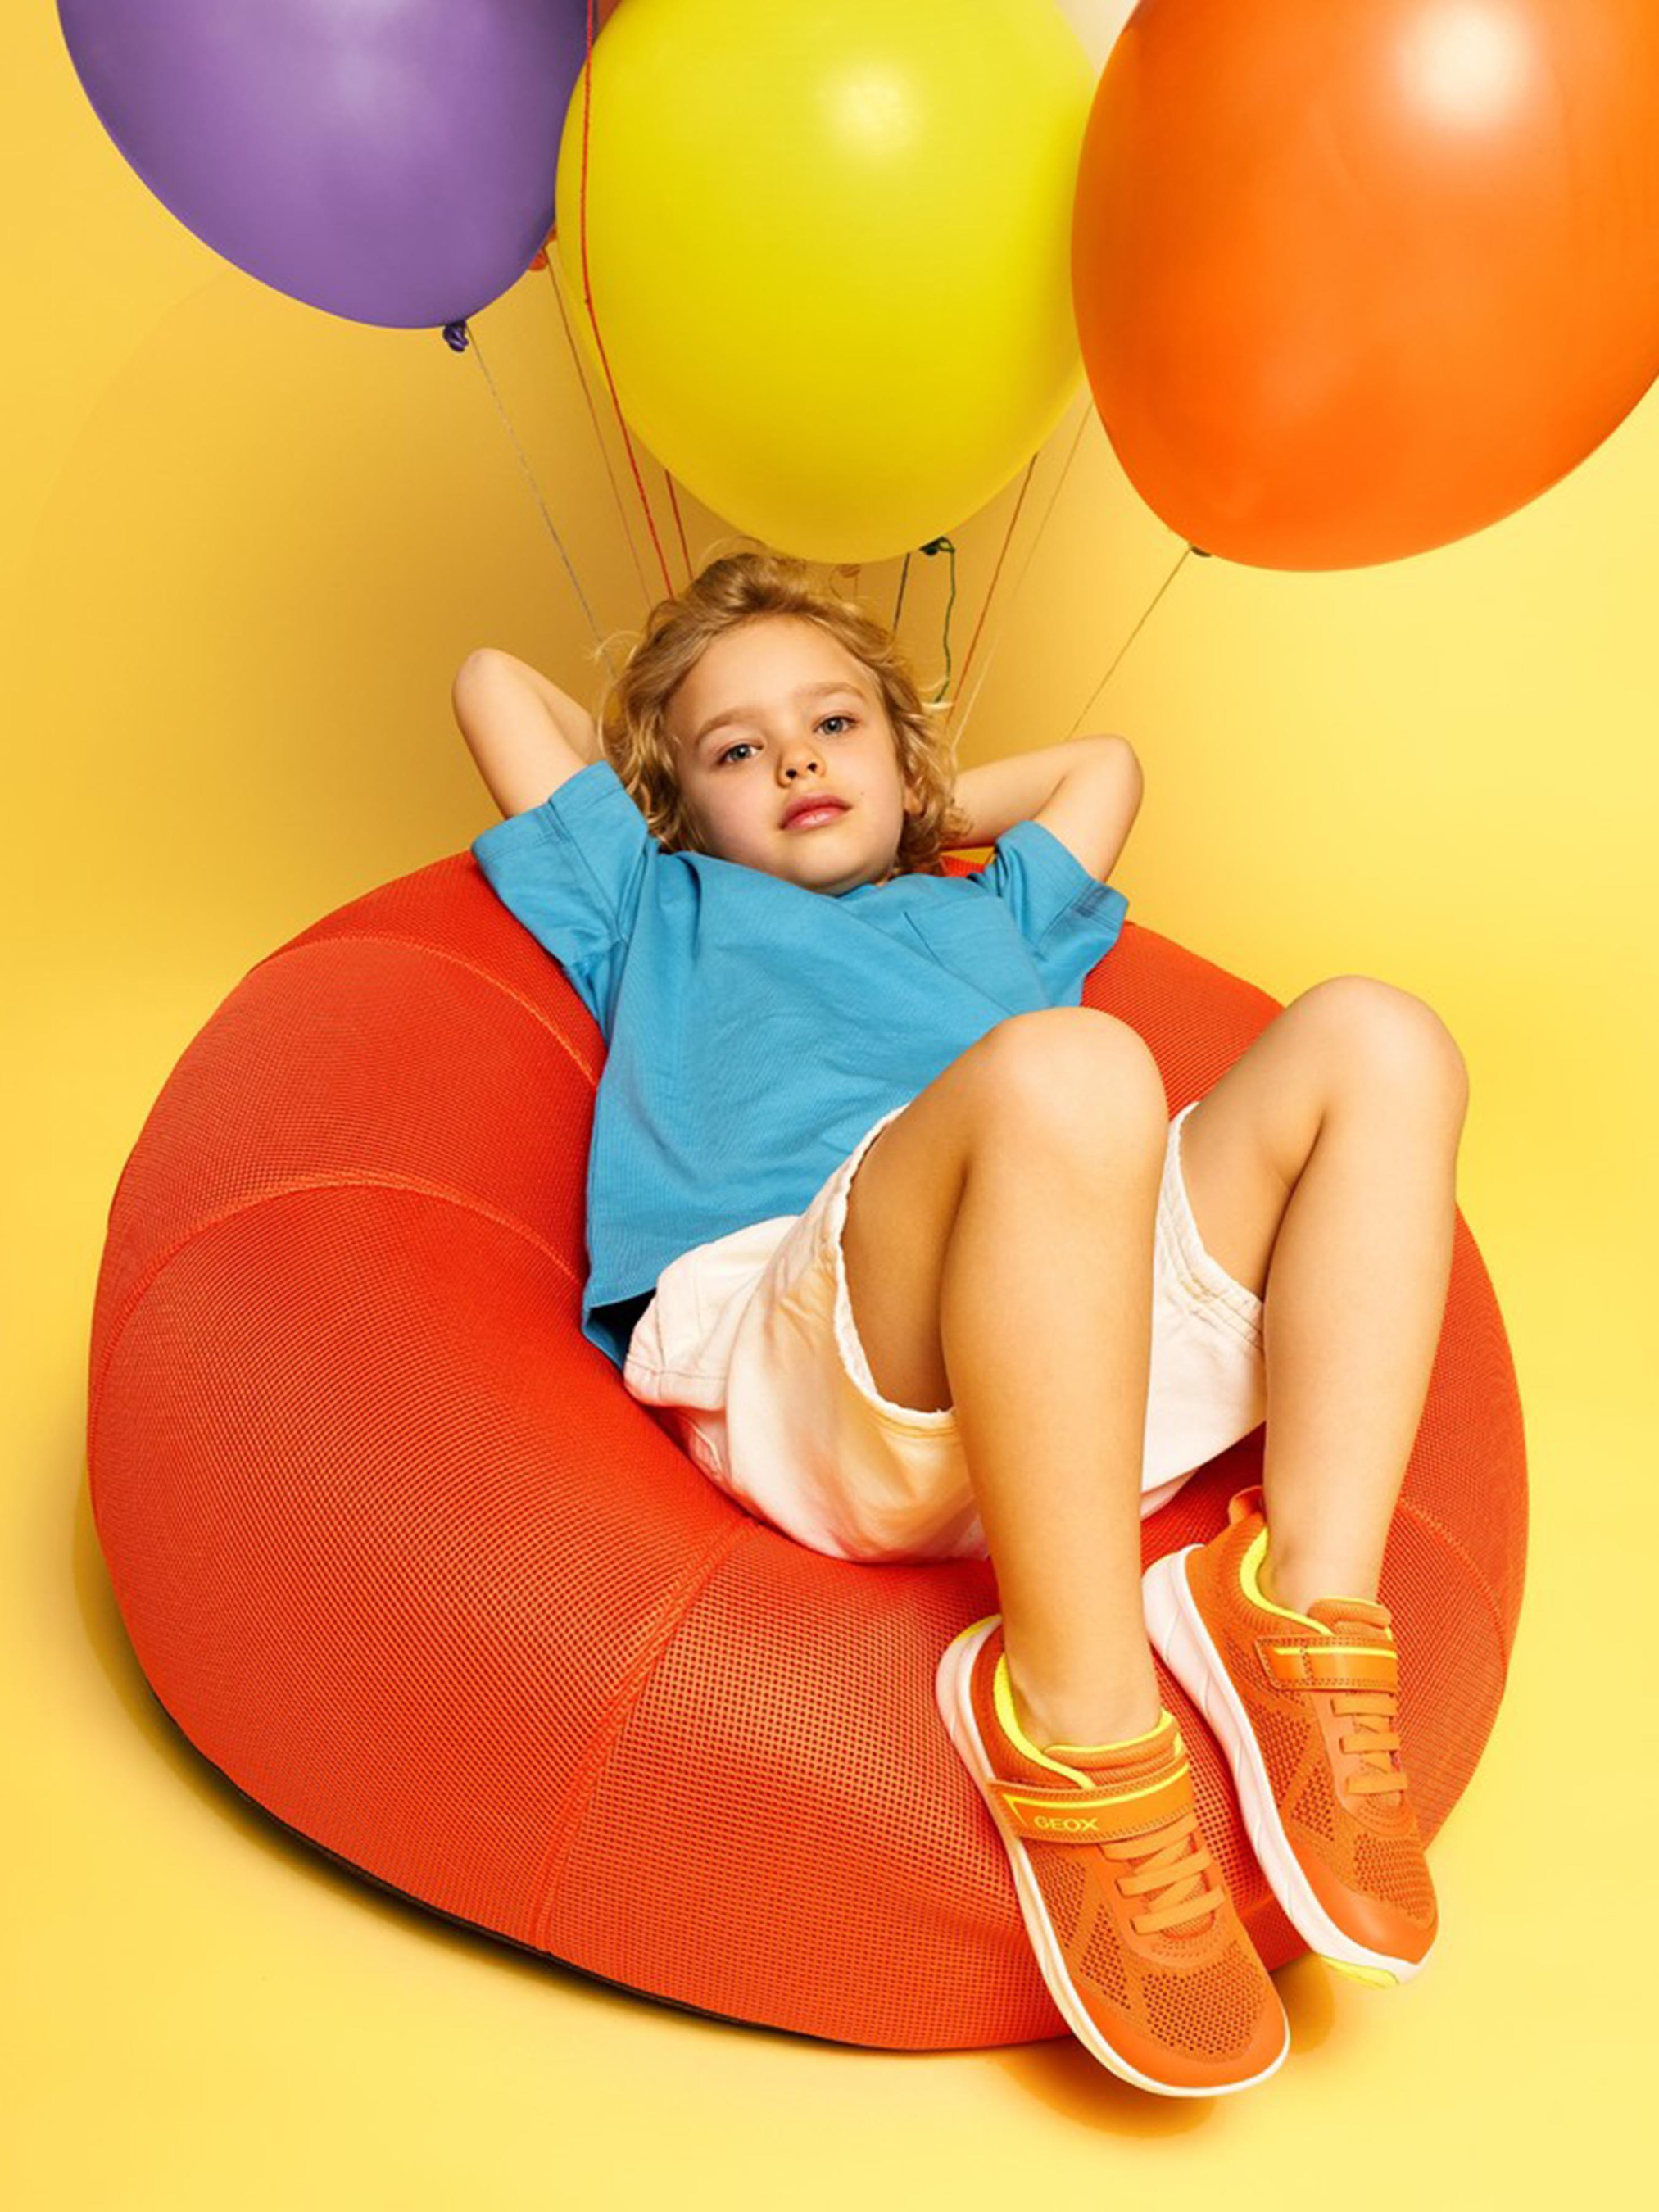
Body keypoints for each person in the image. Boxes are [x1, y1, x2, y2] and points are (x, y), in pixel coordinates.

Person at [454, 545, 1468, 2097]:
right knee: (1076, 1068)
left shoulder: (994, 911)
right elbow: (492, 687)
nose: (796, 763)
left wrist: (919, 804)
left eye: (832, 726)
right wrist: (663, 803)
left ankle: (1300, 1611)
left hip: (1072, 1369)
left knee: (1378, 1036)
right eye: (738, 751)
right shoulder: (649, 897)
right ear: (675, 802)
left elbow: (1101, 766)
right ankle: (1077, 1718)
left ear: (901, 754)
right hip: (816, 1352)